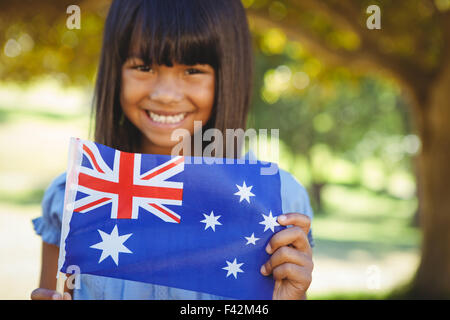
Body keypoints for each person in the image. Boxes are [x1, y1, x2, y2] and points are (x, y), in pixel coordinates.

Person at [31, 0, 314, 300]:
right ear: (115, 72)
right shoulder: (74, 195)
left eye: (192, 69)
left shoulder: (282, 203)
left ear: (229, 74)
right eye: (143, 67)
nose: (165, 95)